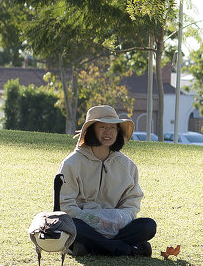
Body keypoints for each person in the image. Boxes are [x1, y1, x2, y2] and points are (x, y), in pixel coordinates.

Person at [58, 105, 156, 257]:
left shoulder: (128, 166)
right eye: (102, 126)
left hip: (117, 226)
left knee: (148, 226)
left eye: (113, 127)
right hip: (84, 224)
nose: (108, 132)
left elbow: (132, 204)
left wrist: (115, 220)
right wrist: (94, 219)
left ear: (118, 131)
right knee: (69, 225)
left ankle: (90, 247)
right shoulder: (71, 163)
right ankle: (126, 249)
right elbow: (65, 206)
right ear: (91, 130)